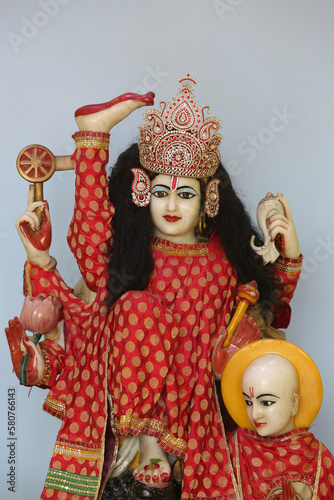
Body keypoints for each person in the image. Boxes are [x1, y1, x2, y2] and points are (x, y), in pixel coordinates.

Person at [6, 76, 303, 500]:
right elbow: (91, 258)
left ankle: (170, 451)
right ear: (143, 193)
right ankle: (149, 445)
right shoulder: (133, 252)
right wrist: (41, 259)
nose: (171, 205)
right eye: (161, 191)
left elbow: (268, 309)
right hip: (135, 391)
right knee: (136, 307)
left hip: (200, 390)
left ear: (208, 200)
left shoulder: (223, 258)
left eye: (185, 194)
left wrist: (289, 255)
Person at [221, 339, 334, 499]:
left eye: (266, 402)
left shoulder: (320, 459)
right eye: (248, 402)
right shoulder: (232, 448)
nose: (255, 414)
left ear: (294, 403)